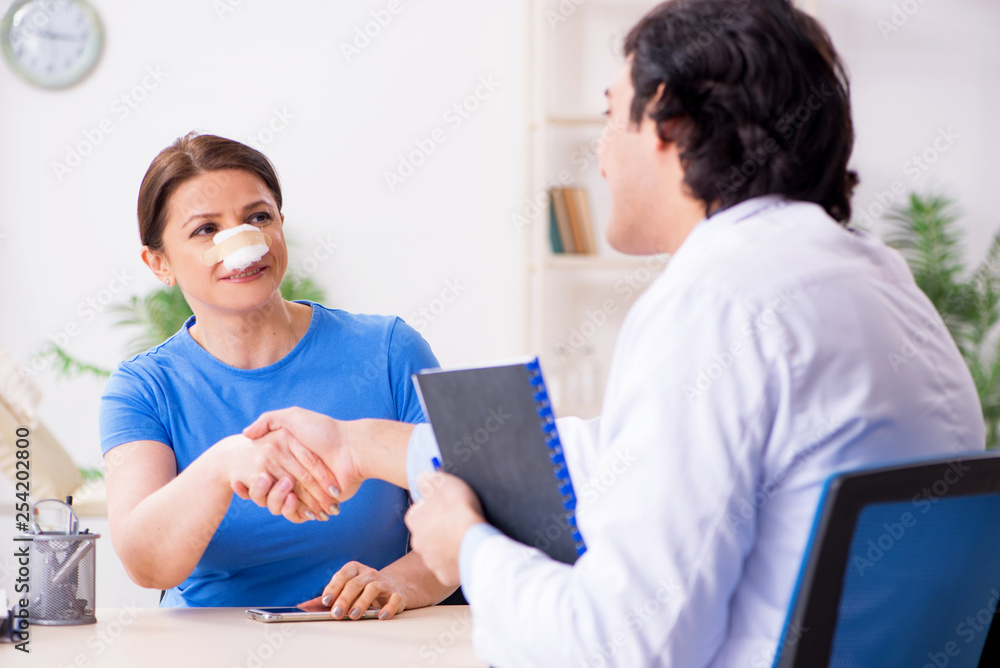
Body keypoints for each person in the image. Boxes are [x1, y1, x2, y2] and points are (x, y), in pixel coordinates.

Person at [238, 0, 985, 664]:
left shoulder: (716, 300)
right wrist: (363, 444)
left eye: (609, 113)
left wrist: (468, 550)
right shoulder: (879, 282)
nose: (599, 151)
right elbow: (624, 458)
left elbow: (620, 645)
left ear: (670, 121)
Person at [99, 132, 455, 617]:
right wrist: (223, 465)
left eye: (258, 218)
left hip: (371, 636)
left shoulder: (389, 350)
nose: (242, 244)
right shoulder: (143, 389)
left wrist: (401, 583)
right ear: (159, 263)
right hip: (209, 646)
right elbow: (146, 564)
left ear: (281, 226)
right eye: (206, 229)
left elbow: (469, 506)